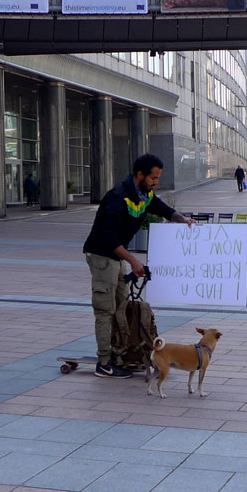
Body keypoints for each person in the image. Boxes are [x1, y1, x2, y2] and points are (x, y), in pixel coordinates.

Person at [83, 154, 195, 378]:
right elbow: (107, 237)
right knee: (105, 310)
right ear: (140, 175)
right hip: (101, 255)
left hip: (117, 257)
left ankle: (119, 354)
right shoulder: (117, 197)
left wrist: (182, 219)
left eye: (158, 178)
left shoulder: (144, 194)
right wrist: (133, 260)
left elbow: (161, 208)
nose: (156, 182)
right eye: (153, 178)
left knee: (122, 308)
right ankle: (104, 362)